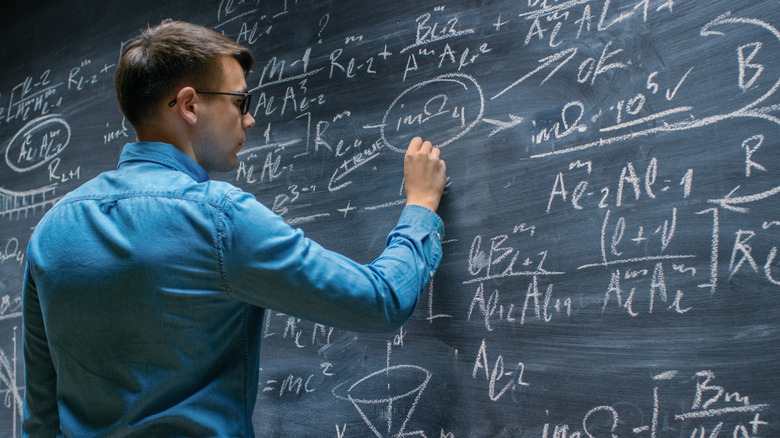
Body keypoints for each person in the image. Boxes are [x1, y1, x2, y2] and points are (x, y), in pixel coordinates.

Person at [22, 21, 446, 437]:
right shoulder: (219, 220)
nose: (249, 120)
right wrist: (421, 206)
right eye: (240, 102)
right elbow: (380, 300)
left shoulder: (50, 232)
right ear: (189, 105)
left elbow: (39, 419)